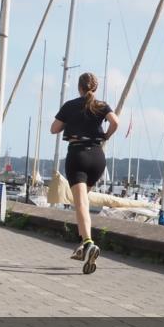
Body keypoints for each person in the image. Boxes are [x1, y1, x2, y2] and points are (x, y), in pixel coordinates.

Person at [50, 72, 119, 274]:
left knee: (80, 204)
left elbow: (54, 129)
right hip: (98, 158)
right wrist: (105, 135)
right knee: (83, 203)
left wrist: (67, 121)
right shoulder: (101, 105)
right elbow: (115, 122)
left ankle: (88, 243)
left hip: (78, 155)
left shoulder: (70, 105)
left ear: (79, 88)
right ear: (95, 88)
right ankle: (82, 246)